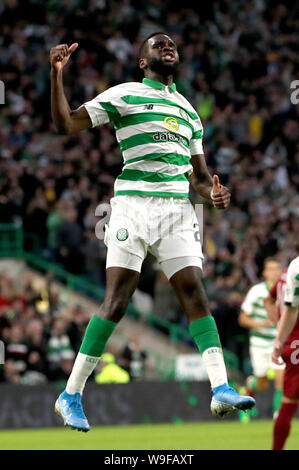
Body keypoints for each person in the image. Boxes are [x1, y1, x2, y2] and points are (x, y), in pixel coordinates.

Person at [50, 32, 255, 432]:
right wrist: (57, 76)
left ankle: (221, 388)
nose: (167, 46)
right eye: (157, 45)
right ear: (142, 61)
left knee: (194, 290)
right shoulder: (124, 94)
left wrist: (211, 192)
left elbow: (197, 176)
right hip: (132, 207)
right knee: (118, 299)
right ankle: (70, 394)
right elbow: (66, 125)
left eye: (171, 45)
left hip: (177, 209)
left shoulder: (189, 112)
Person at [238, 258, 284, 421]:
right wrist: (261, 324)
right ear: (264, 273)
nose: (274, 272)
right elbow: (242, 319)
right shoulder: (256, 291)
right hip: (258, 343)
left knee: (281, 380)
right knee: (262, 384)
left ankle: (278, 417)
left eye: (277, 268)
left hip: (277, 343)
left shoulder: (285, 290)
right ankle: (250, 387)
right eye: (271, 269)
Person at [272, 254, 299, 450]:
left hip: (294, 340)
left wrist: (279, 340)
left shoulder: (294, 267)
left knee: (289, 401)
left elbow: (291, 310)